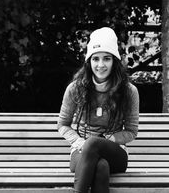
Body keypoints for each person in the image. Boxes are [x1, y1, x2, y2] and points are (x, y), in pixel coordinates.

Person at [57, 27, 139, 193]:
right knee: (101, 166)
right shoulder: (75, 89)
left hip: (116, 152)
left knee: (93, 143)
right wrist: (79, 142)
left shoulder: (129, 91)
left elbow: (131, 131)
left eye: (106, 59)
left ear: (114, 61)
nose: (101, 65)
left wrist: (112, 138)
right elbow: (63, 125)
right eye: (96, 59)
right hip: (80, 151)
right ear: (89, 61)